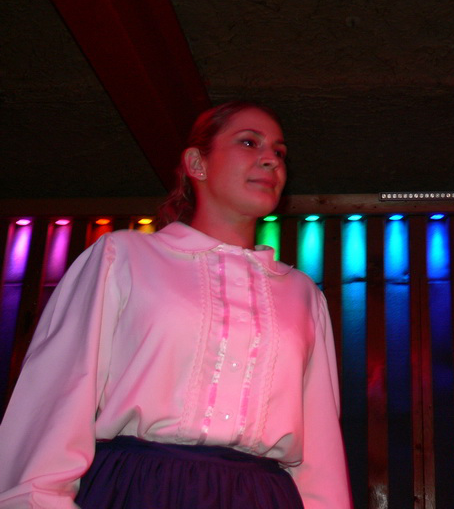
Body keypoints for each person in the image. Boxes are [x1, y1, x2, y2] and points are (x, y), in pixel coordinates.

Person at [0, 101, 352, 509]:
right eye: (249, 142)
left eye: (280, 151)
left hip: (262, 497)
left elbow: (320, 444)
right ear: (197, 163)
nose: (271, 159)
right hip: (139, 488)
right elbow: (58, 392)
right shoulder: (123, 257)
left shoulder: (302, 293)